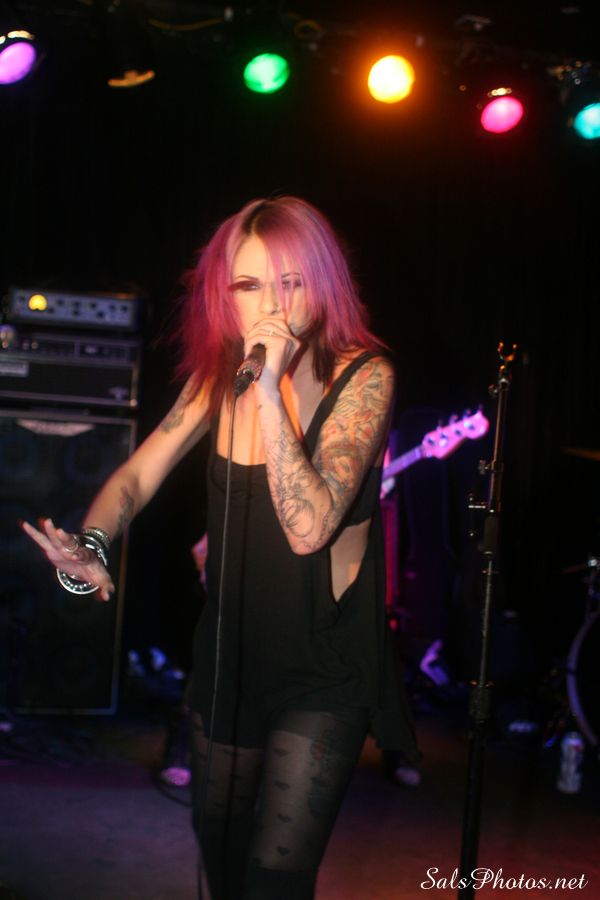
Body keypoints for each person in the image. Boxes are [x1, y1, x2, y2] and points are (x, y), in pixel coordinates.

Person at [21, 196, 419, 899]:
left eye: (292, 281)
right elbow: (137, 476)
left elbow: (308, 527)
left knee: (276, 880)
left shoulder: (365, 376)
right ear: (223, 295)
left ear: (324, 282)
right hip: (232, 652)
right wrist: (92, 547)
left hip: (324, 665)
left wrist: (268, 394)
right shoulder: (217, 378)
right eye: (250, 284)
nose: (271, 304)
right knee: (222, 854)